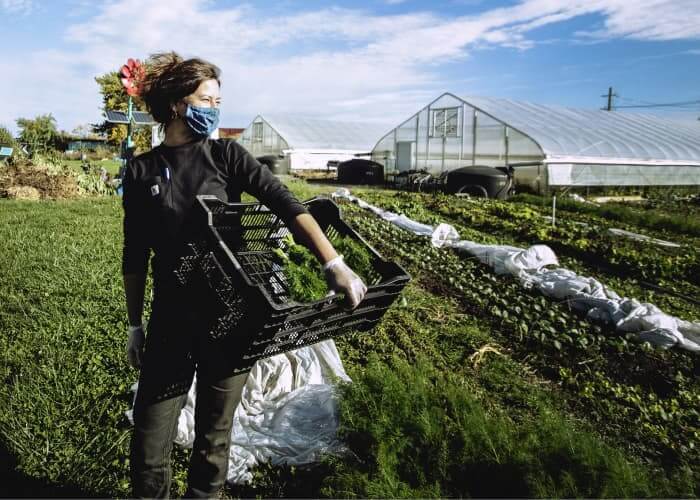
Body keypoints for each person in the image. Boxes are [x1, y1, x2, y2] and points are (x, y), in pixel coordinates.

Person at [122, 52, 367, 498]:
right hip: (171, 320)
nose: (213, 109)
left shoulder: (225, 155)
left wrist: (334, 264)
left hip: (230, 318)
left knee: (214, 437)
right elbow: (135, 255)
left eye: (217, 101)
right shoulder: (140, 170)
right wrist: (134, 326)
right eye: (205, 100)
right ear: (178, 103)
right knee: (149, 439)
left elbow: (286, 203)